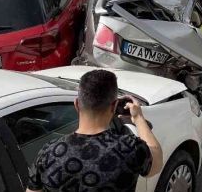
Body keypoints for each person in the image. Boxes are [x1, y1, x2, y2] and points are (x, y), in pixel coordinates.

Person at [25, 69, 163, 192]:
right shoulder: (130, 148)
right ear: (114, 106)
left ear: (77, 104)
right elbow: (156, 162)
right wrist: (138, 118)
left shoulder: (48, 152)